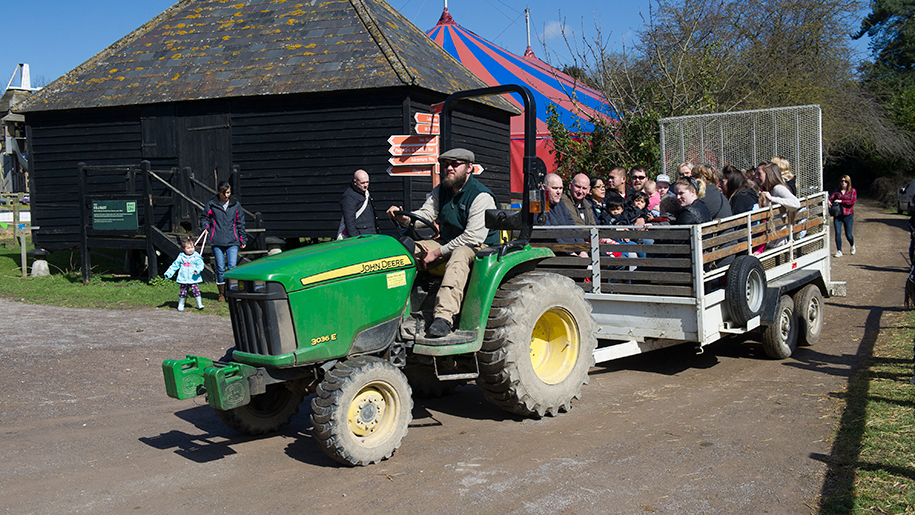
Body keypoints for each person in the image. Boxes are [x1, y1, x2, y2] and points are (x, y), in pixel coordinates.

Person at [386, 148, 499, 338]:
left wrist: (437, 253)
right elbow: (426, 215)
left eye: (455, 164)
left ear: (469, 168)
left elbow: (472, 237)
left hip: (479, 246)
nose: (449, 169)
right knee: (405, 251)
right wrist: (403, 218)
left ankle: (444, 317)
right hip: (448, 240)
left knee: (460, 253)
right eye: (446, 165)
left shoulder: (481, 196)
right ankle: (393, 309)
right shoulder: (441, 190)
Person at [200, 181, 246, 302]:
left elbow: (240, 222)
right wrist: (205, 227)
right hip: (217, 240)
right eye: (224, 193)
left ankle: (233, 292)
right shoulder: (212, 204)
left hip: (232, 240)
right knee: (220, 267)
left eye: (228, 193)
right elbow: (205, 217)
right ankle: (221, 293)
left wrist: (242, 238)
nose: (226, 196)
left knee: (232, 266)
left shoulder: (235, 205)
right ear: (219, 192)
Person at [542, 173, 588, 258]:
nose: (559, 192)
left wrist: (582, 250)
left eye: (561, 188)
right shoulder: (538, 206)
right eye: (555, 188)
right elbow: (550, 235)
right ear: (544, 188)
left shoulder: (560, 204)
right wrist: (569, 253)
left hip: (571, 251)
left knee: (606, 260)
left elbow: (573, 227)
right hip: (557, 253)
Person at [164, 237, 205, 311]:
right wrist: (169, 273)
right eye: (188, 248)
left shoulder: (196, 256)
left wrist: (197, 270)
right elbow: (175, 265)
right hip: (184, 278)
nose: (190, 250)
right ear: (183, 249)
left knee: (196, 291)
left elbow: (200, 265)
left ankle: (199, 304)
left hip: (193, 278)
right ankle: (181, 304)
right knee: (183, 292)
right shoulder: (181, 256)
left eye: (192, 247)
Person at [338, 169, 378, 238]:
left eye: (367, 182)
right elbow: (349, 222)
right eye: (363, 183)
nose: (366, 185)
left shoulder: (365, 193)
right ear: (355, 182)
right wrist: (356, 238)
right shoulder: (349, 197)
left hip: (370, 232)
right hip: (360, 236)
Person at [829, 175, 857, 257]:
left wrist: (841, 201)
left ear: (848, 183)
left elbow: (852, 201)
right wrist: (829, 202)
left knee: (848, 234)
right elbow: (831, 198)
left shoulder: (852, 191)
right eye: (842, 181)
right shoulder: (836, 191)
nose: (843, 183)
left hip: (848, 215)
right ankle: (839, 250)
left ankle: (852, 245)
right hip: (838, 215)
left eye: (845, 181)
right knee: (837, 232)